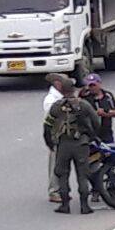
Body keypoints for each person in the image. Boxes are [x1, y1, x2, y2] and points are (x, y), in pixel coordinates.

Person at [45, 78, 101, 215]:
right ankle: (84, 206)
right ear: (74, 90)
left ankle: (65, 205)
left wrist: (50, 143)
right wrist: (91, 137)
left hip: (63, 145)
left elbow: (47, 126)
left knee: (62, 174)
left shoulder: (56, 106)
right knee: (82, 174)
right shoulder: (84, 105)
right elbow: (96, 122)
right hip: (81, 144)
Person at [42, 73, 67, 203]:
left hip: (68, 136)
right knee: (56, 164)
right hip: (57, 136)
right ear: (57, 84)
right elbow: (51, 121)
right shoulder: (51, 100)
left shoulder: (64, 97)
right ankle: (54, 191)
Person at [82, 73, 115, 143]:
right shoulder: (85, 98)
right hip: (92, 135)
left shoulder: (108, 95)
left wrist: (106, 114)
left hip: (106, 133)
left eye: (94, 85)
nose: (92, 88)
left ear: (99, 84)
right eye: (90, 86)